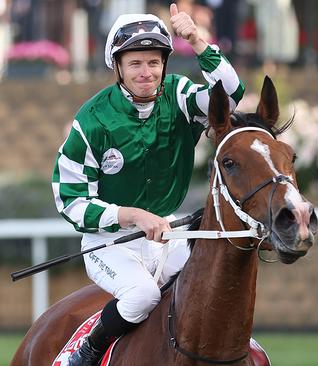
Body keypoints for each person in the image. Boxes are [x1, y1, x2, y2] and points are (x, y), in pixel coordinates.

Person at [52, 4, 244, 365]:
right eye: (136, 63)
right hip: (108, 244)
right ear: (118, 67)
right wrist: (133, 215)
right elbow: (70, 200)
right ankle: (87, 352)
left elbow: (230, 96)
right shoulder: (92, 120)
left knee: (208, 289)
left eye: (154, 62)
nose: (147, 72)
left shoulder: (180, 95)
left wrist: (197, 42)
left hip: (168, 235)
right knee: (142, 296)